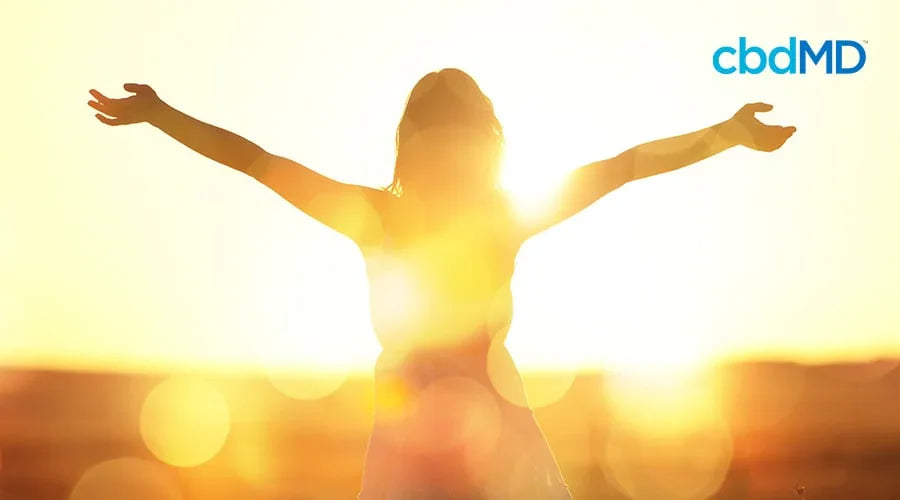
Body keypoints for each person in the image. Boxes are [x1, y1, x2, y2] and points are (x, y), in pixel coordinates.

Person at [87, 68, 794, 499]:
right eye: (442, 135)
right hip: (412, 431)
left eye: (461, 135)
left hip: (490, 431)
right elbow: (257, 161)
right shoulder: (392, 216)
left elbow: (625, 165)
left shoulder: (486, 218)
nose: (451, 151)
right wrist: (162, 115)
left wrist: (727, 134)